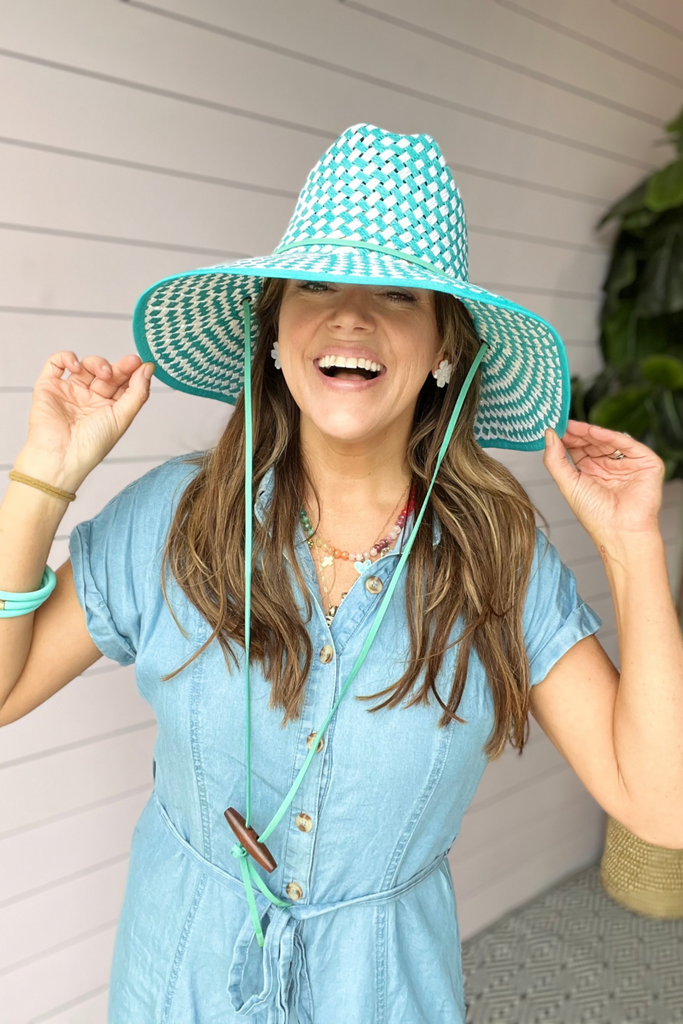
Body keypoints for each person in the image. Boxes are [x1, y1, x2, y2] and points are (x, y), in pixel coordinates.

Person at [1, 123, 681, 1024]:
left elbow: (661, 805)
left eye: (398, 294)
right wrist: (44, 475)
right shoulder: (175, 520)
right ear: (275, 330)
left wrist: (634, 545)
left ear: (444, 348)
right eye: (316, 284)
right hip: (178, 986)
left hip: (383, 996)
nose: (350, 317)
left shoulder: (496, 561)